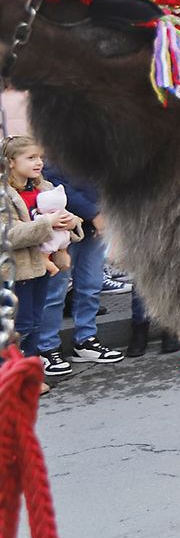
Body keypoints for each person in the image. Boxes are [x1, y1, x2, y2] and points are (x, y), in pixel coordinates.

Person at [32, 155, 121, 370]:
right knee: (56, 291)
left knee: (90, 286)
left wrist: (106, 215)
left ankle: (86, 340)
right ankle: (48, 346)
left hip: (94, 229)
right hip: (63, 230)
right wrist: (94, 214)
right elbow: (57, 184)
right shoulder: (56, 150)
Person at [3, 135, 78, 379]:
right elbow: (8, 235)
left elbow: (65, 220)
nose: (39, 163)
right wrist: (47, 223)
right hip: (17, 270)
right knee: (21, 325)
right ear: (11, 162)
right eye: (31, 158)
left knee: (35, 322)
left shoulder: (44, 188)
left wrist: (70, 222)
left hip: (42, 268)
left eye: (40, 158)